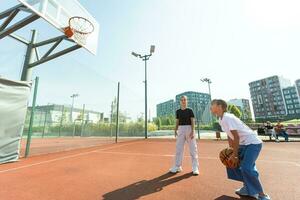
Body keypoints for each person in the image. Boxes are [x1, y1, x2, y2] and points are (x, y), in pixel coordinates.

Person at [210, 99, 270, 200]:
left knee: (246, 168)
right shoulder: (221, 119)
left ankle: (262, 194)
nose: (210, 107)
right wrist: (231, 150)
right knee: (231, 163)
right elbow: (230, 136)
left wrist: (235, 154)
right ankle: (247, 188)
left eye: (212, 105)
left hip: (253, 143)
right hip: (243, 144)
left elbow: (236, 137)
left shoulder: (228, 117)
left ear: (219, 107)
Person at [169, 95, 199, 175]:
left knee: (193, 149)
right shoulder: (178, 111)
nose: (183, 101)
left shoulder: (190, 110)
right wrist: (175, 130)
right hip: (181, 129)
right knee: (179, 149)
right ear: (180, 101)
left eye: (185, 100)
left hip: (189, 129)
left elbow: (192, 121)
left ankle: (195, 167)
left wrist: (193, 130)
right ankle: (177, 166)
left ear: (187, 101)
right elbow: (177, 121)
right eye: (182, 100)